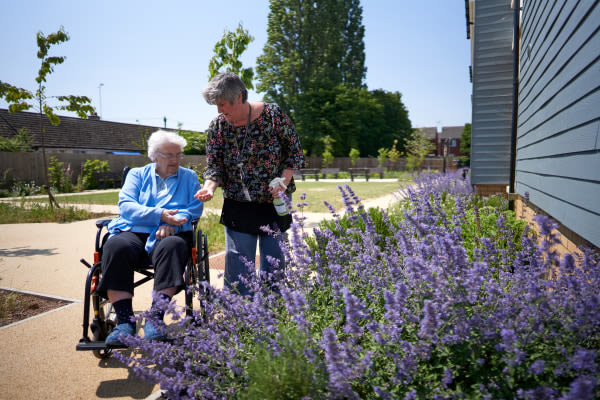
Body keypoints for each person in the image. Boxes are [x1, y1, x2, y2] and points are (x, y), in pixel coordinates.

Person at [194, 72, 304, 296]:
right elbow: (215, 165)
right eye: (216, 105)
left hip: (274, 203)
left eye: (223, 104)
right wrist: (210, 187)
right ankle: (240, 319)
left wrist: (284, 180)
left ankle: (273, 314)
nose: (219, 110)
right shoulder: (217, 127)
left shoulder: (273, 116)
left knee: (274, 263)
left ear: (240, 97)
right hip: (238, 203)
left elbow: (294, 153)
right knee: (238, 265)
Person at [98, 129, 204, 346]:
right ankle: (125, 321)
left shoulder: (189, 177)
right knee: (115, 245)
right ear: (155, 156)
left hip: (171, 232)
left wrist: (173, 223)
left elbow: (194, 208)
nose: (175, 160)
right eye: (169, 155)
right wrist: (159, 215)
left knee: (173, 246)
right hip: (134, 230)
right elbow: (126, 206)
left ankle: (155, 318)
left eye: (179, 155)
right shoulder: (136, 175)